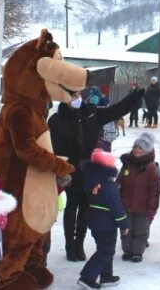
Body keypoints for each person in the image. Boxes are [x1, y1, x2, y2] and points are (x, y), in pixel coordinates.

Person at [48, 87, 145, 262]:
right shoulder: (56, 120)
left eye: (78, 95)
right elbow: (51, 145)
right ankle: (70, 245)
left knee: (86, 207)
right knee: (72, 206)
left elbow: (115, 110)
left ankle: (79, 244)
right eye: (72, 95)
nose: (76, 98)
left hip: (88, 169)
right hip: (68, 168)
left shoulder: (90, 114)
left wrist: (132, 98)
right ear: (64, 98)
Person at [77, 149, 129, 289]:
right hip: (106, 224)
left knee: (106, 249)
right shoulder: (109, 186)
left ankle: (106, 276)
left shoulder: (91, 182)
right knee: (106, 251)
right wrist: (124, 223)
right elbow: (116, 207)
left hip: (95, 222)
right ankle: (87, 277)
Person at [117, 132, 160, 262]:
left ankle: (137, 252)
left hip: (143, 208)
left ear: (147, 151)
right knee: (126, 230)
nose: (137, 150)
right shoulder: (127, 165)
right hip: (126, 205)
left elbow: (155, 191)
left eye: (140, 148)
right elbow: (119, 182)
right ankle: (128, 251)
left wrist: (152, 209)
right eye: (135, 147)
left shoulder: (152, 168)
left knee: (141, 232)